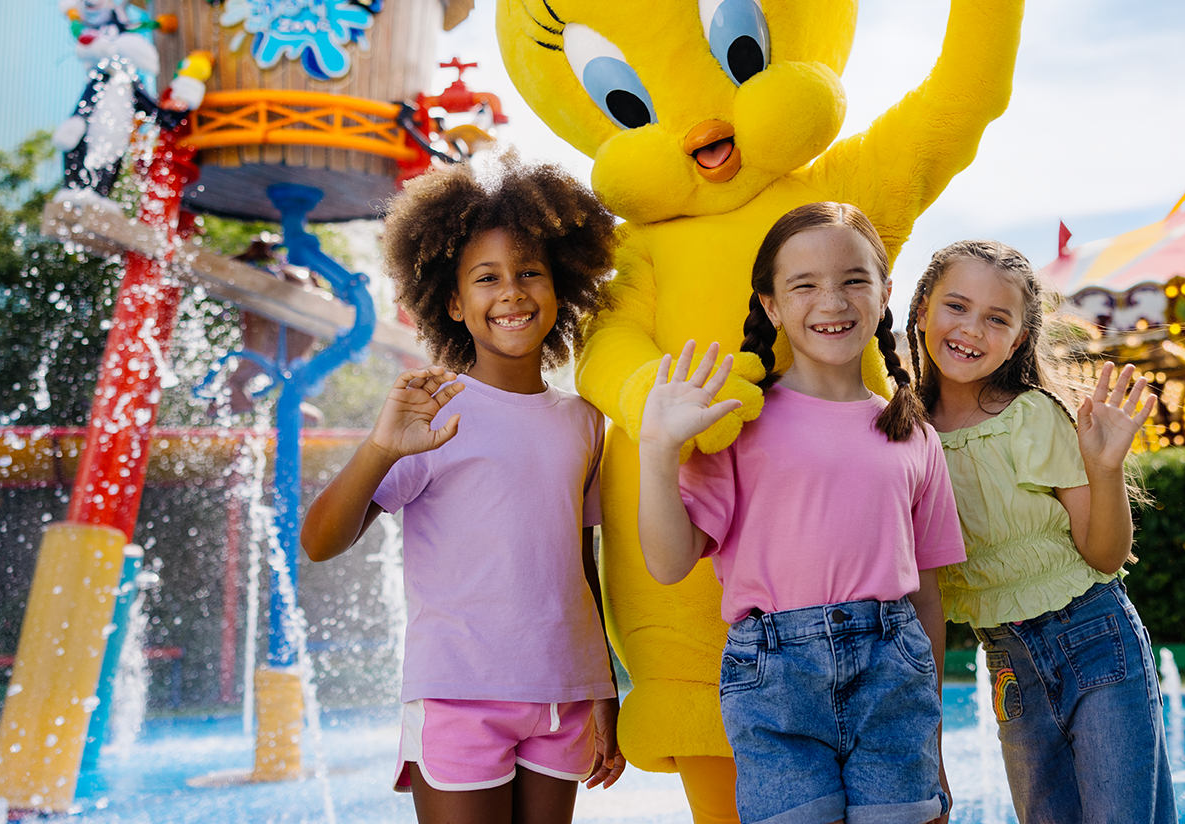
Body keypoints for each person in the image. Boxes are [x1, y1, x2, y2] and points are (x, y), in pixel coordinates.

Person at [299, 157, 625, 824]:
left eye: (529, 272)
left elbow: (581, 566)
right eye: (487, 278)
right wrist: (382, 447)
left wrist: (604, 691)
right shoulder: (429, 410)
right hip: (457, 693)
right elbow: (319, 542)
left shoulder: (586, 422)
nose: (512, 292)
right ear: (453, 303)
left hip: (563, 697)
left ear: (559, 287)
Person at [636, 202, 965, 824]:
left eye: (853, 280)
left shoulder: (913, 431)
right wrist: (658, 448)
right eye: (804, 285)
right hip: (773, 679)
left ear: (886, 290)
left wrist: (935, 739)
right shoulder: (739, 422)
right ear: (772, 305)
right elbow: (668, 561)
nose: (832, 302)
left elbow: (927, 597)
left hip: (896, 674)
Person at [906, 240, 1176, 824]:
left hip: (1095, 632)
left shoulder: (1033, 416)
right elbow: (921, 593)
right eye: (956, 306)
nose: (971, 329)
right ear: (923, 307)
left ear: (1019, 338)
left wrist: (1104, 470)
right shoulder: (906, 439)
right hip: (1006, 660)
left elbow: (1105, 555)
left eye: (996, 319)